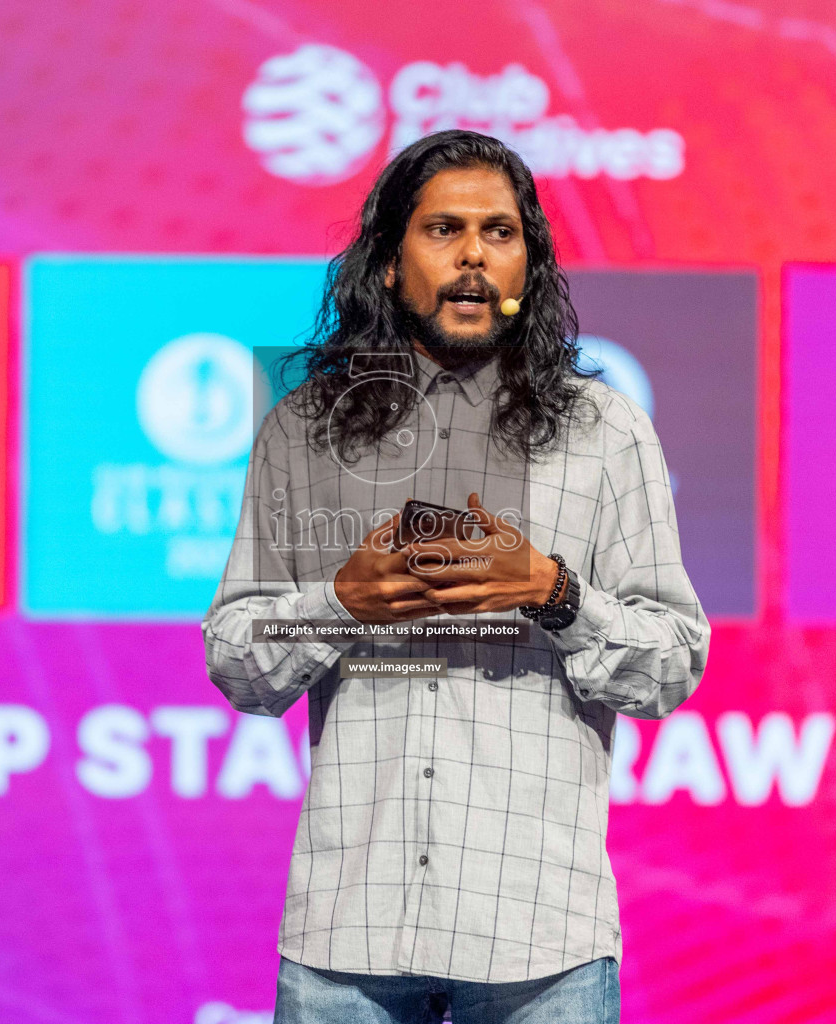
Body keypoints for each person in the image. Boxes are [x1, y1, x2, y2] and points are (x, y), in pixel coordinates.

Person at [203, 129, 709, 1024]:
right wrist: (340, 603)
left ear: (529, 265)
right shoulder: (305, 430)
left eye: (500, 232)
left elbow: (673, 663)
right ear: (390, 265)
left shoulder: (605, 432)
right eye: (443, 230)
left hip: (539, 936)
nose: (474, 254)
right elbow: (238, 658)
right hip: (348, 932)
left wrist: (555, 594)